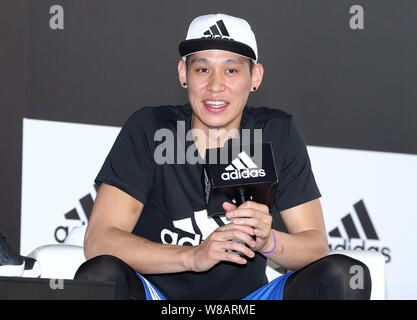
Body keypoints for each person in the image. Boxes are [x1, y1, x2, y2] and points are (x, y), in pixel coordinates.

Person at [74, 13, 371, 300]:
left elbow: (315, 247)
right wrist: (193, 256)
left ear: (255, 77)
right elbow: (100, 241)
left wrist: (269, 241)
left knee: (343, 275)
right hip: (159, 296)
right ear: (183, 74)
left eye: (231, 70)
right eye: (202, 69)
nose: (215, 86)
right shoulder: (150, 128)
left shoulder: (275, 132)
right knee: (101, 275)